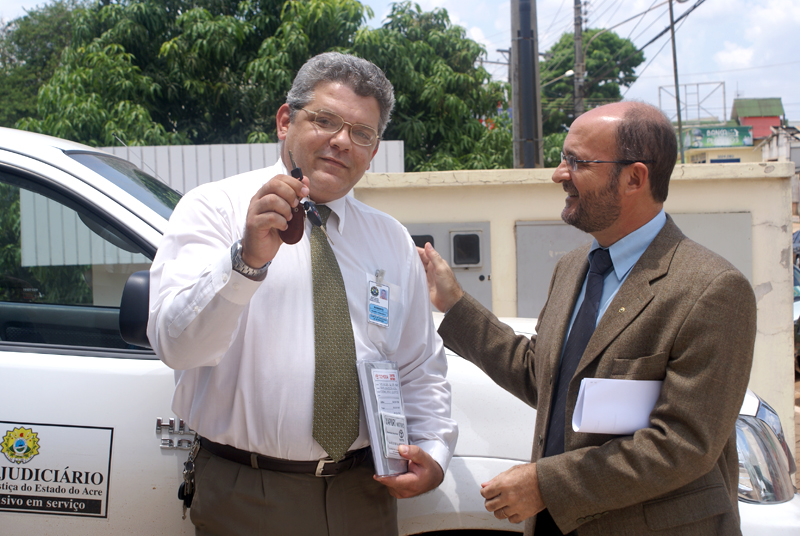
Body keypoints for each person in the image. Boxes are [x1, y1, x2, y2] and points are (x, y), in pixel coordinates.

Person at [148, 52, 457, 536]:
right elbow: (177, 346)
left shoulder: (392, 239)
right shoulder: (215, 208)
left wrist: (434, 450)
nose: (342, 141)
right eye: (325, 120)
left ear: (374, 150)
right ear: (284, 121)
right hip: (248, 493)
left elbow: (419, 363)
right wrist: (246, 261)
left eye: (362, 133)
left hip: (366, 493)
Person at [419, 101, 756, 535]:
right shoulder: (574, 266)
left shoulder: (712, 288)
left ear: (634, 178)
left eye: (577, 162)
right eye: (564, 159)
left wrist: (546, 485)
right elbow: (544, 378)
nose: (559, 174)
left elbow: (684, 444)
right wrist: (455, 304)